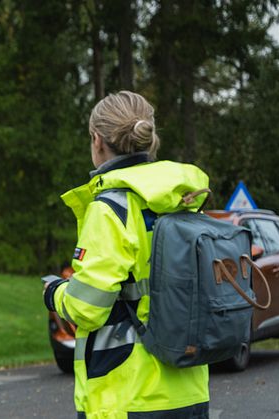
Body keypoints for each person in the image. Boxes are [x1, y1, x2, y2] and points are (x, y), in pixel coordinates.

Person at [43, 91, 210, 418]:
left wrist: (55, 293)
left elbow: (87, 307)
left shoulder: (111, 208)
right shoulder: (182, 199)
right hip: (190, 385)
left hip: (127, 392)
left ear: (97, 140)